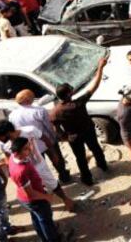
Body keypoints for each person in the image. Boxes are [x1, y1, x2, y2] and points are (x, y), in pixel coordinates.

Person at [51, 57, 109, 186]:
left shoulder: (56, 111)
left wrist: (64, 136)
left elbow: (55, 127)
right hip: (88, 131)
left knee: (80, 158)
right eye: (71, 90)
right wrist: (100, 67)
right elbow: (95, 85)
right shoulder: (78, 103)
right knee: (96, 149)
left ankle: (86, 178)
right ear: (68, 94)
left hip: (73, 137)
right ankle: (103, 166)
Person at [7, 136, 63, 242]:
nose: (30, 150)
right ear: (17, 153)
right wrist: (47, 197)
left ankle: (44, 238)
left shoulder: (13, 158)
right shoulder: (21, 171)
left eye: (29, 146)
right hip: (34, 200)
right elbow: (31, 194)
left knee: (37, 219)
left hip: (24, 197)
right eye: (26, 149)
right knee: (46, 221)